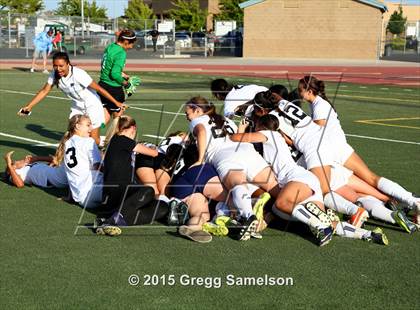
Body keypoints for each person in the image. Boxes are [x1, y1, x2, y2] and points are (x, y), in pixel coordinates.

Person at [298, 75, 420, 227]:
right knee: (362, 184)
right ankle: (395, 204)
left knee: (371, 179)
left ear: (309, 91)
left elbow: (315, 131)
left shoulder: (319, 106)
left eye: (300, 90)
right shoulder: (316, 105)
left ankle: (412, 200)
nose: (299, 94)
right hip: (334, 152)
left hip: (337, 150)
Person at [185, 96, 279, 241]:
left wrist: (199, 159)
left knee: (237, 184)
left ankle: (248, 216)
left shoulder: (198, 120)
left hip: (226, 156)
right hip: (247, 151)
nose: (187, 118)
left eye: (188, 114)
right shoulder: (224, 119)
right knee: (275, 188)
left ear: (197, 110)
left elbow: (202, 132)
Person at [18, 52, 123, 145]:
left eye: (61, 66)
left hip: (92, 104)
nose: (58, 69)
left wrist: (116, 102)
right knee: (72, 135)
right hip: (77, 105)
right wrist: (29, 106)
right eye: (55, 66)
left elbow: (99, 89)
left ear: (68, 64)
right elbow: (44, 91)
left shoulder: (78, 74)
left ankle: (113, 148)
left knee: (93, 139)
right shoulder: (54, 75)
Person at [97, 115, 169, 236]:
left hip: (120, 195)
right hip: (117, 192)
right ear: (133, 128)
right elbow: (153, 153)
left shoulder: (115, 142)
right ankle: (114, 219)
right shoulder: (121, 139)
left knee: (162, 207)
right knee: (148, 190)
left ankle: (113, 220)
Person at [99, 29, 137, 146]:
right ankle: (114, 143)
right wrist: (126, 84)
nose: (131, 46)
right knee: (118, 120)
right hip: (114, 88)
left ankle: (91, 134)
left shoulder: (111, 47)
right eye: (131, 43)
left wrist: (124, 75)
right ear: (125, 41)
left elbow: (109, 67)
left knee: (105, 116)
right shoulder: (121, 53)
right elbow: (114, 74)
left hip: (103, 85)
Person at [61, 115, 103, 208]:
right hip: (95, 191)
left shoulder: (67, 143)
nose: (91, 128)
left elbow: (72, 173)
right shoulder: (88, 141)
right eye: (88, 125)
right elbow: (97, 166)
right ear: (77, 126)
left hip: (82, 199)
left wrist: (70, 197)